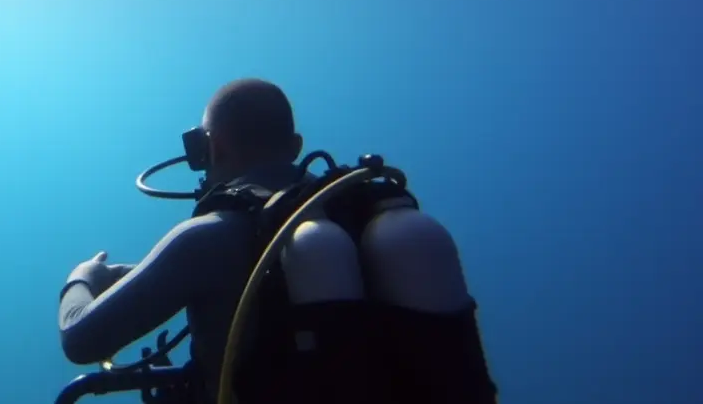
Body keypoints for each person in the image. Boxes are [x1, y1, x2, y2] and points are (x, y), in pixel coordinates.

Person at [57, 79, 496, 404]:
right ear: (295, 145)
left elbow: (81, 338)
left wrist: (83, 278)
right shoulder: (371, 224)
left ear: (212, 147)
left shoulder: (206, 238)